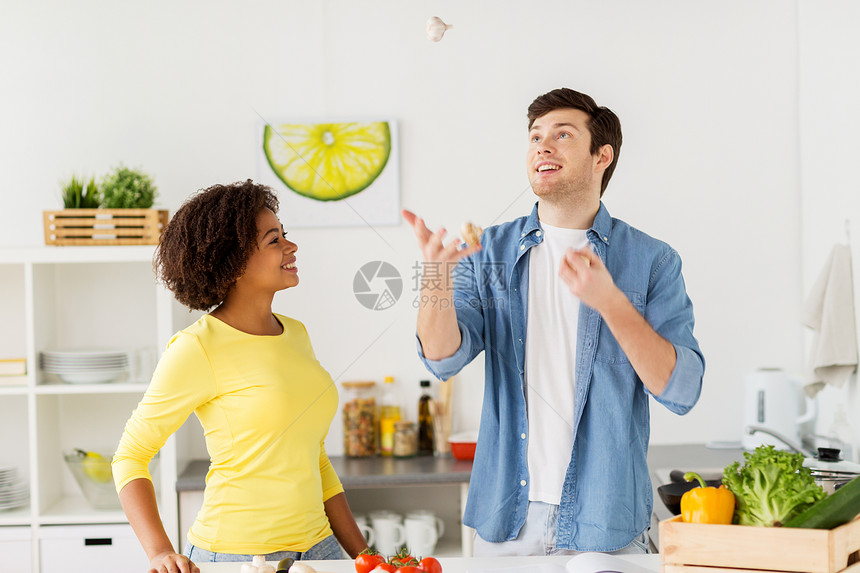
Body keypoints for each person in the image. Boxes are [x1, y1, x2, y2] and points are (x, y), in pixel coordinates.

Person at [403, 88, 704, 555]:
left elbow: (681, 390)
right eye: (535, 136)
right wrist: (435, 279)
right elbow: (442, 358)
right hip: (508, 522)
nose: (543, 146)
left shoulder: (652, 261)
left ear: (601, 155)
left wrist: (611, 304)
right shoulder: (489, 252)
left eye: (562, 135)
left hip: (607, 524)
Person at [113, 180, 368, 573]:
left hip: (320, 551)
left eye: (285, 236)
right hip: (236, 556)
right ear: (233, 261)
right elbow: (130, 457)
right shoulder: (197, 347)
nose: (290, 247)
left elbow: (312, 455)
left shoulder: (296, 333)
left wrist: (366, 557)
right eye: (273, 240)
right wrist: (160, 551)